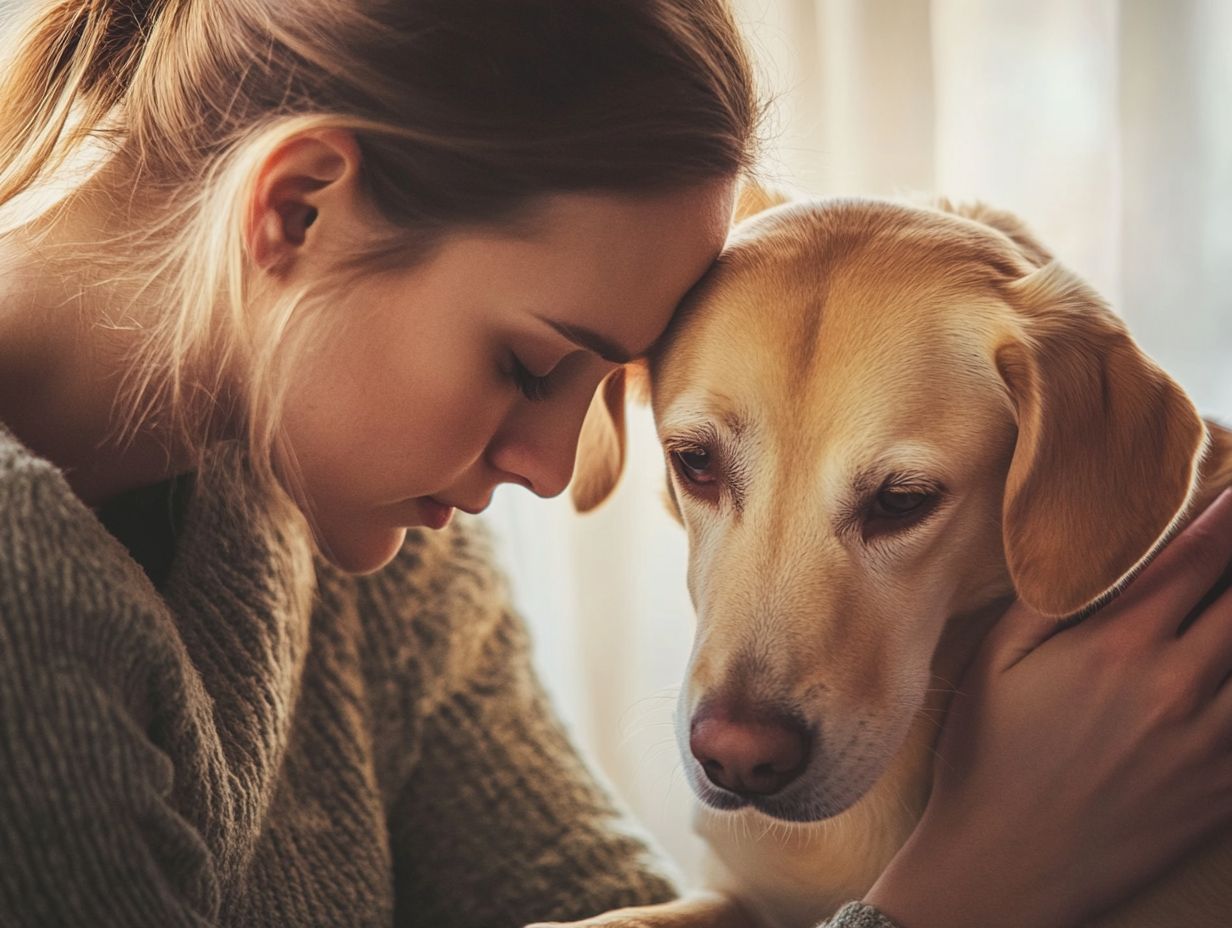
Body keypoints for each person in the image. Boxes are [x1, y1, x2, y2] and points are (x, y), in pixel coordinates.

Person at [0, 1, 1228, 927]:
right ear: (300, 208)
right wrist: (975, 885)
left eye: (608, 386)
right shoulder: (26, 593)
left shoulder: (380, 529)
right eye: (532, 363)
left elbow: (588, 893)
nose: (552, 469)